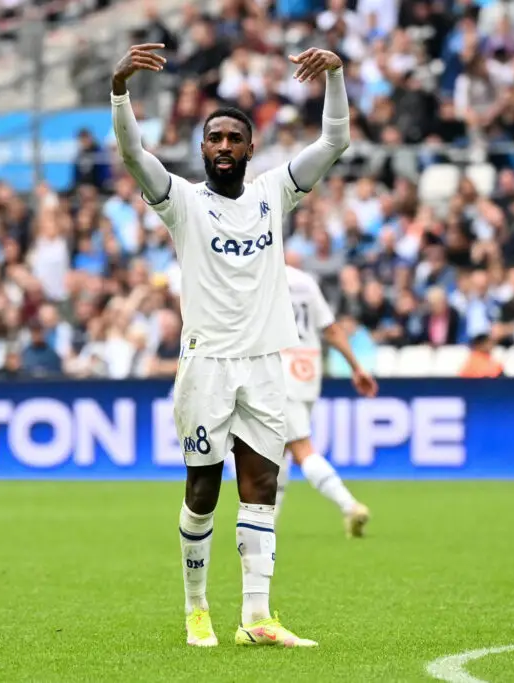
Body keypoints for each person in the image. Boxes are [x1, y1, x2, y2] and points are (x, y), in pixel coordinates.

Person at [111, 43, 350, 648]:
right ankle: (196, 609)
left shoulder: (274, 192)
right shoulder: (183, 202)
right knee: (202, 491)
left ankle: (257, 618)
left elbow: (334, 142)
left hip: (265, 364)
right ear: (202, 149)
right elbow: (133, 154)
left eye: (233, 138)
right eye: (214, 138)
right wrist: (119, 92)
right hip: (206, 366)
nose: (223, 146)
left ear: (249, 147)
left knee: (261, 488)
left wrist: (336, 77)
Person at [275, 261, 377, 538]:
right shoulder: (306, 282)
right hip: (308, 369)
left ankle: (350, 506)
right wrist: (356, 367)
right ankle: (267, 525)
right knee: (279, 449)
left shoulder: (261, 277)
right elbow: (331, 329)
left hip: (278, 371)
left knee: (300, 448)